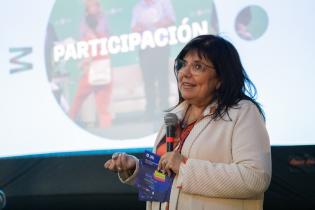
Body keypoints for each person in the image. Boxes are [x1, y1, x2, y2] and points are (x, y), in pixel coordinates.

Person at [104, 35, 271, 210]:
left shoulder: (242, 113)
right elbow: (164, 183)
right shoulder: (174, 117)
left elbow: (256, 178)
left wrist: (184, 167)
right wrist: (136, 169)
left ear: (221, 78)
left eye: (197, 66)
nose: (184, 73)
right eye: (182, 64)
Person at [68, 0, 112, 128]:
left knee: (101, 105)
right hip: (95, 72)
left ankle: (106, 129)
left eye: (95, 4)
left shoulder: (102, 30)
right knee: (78, 102)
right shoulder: (86, 31)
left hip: (99, 72)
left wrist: (85, 63)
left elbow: (96, 54)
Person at [131, 0, 176, 120]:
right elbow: (134, 27)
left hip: (161, 46)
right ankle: (150, 111)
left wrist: (157, 23)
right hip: (146, 49)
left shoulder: (164, 3)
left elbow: (171, 19)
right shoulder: (138, 7)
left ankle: (165, 109)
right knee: (148, 81)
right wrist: (139, 28)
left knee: (163, 79)